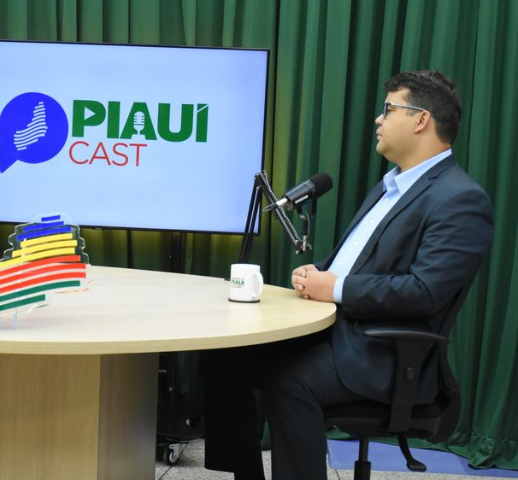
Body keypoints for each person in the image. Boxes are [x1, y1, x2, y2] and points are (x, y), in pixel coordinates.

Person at [201, 70, 494, 480]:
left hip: (381, 354)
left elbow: (424, 292)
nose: (378, 119)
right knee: (224, 356)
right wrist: (320, 272)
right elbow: (362, 263)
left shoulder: (460, 199)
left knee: (290, 383)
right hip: (336, 332)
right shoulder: (391, 186)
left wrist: (336, 287)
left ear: (421, 120)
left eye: (389, 109)